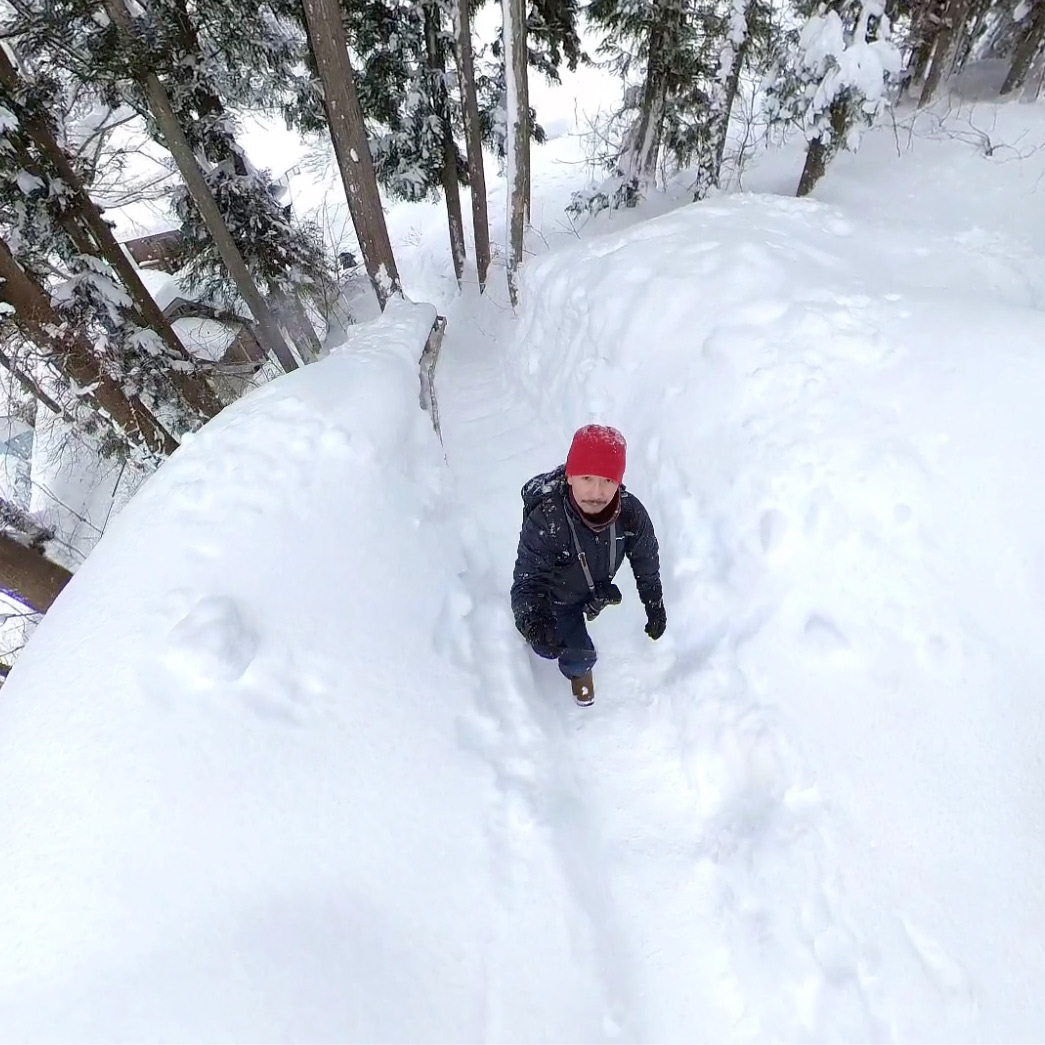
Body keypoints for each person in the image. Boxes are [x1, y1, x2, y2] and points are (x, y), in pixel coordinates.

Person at [510, 424, 666, 707]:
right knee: (581, 655)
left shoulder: (630, 514)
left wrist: (654, 603)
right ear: (570, 477)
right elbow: (527, 581)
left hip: (590, 586)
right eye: (586, 478)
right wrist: (535, 622)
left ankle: (581, 615)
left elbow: (646, 559)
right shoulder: (549, 519)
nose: (596, 491)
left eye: (608, 480)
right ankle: (578, 675)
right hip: (554, 599)